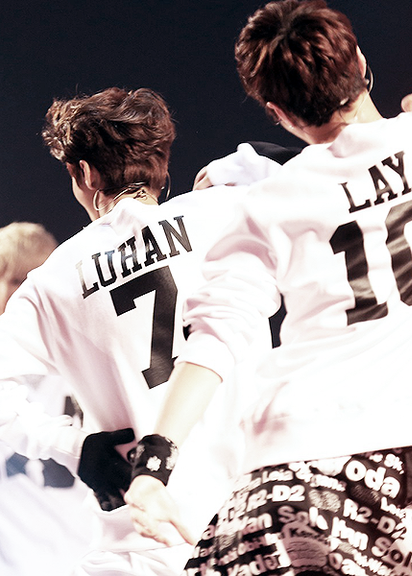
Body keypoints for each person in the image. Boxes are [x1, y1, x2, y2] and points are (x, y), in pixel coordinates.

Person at [125, 2, 412, 576]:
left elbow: (216, 335)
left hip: (277, 482)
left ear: (279, 112)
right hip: (400, 477)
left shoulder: (271, 200)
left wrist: (153, 467)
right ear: (359, 62)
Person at [0, 87, 299, 575]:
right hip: (256, 516)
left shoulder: (50, 282)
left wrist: (72, 446)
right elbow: (316, 164)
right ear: (161, 162)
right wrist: (237, 167)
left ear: (85, 173)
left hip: (142, 538)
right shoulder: (223, 211)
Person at [0, 222, 92, 576]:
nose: (25, 295)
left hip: (91, 559)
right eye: (15, 280)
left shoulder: (90, 362)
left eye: (33, 282)